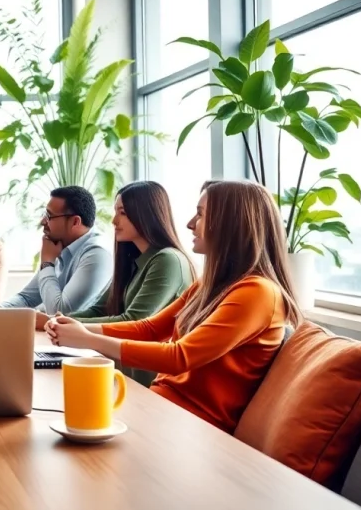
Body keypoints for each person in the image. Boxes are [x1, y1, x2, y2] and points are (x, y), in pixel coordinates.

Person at [45, 180, 303, 434]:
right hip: (164, 407)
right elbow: (150, 328)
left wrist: (89, 338)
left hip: (193, 426)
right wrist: (82, 331)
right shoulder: (211, 284)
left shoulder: (257, 293)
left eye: (200, 214)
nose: (190, 223)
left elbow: (180, 357)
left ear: (230, 224)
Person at [61, 181, 196, 386]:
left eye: (122, 212)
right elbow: (97, 310)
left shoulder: (168, 260)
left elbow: (136, 320)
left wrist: (72, 328)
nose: (114, 220)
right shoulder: (133, 261)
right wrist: (57, 321)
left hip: (149, 381)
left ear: (146, 214)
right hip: (121, 371)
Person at [0, 186, 112, 313]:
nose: (42, 221)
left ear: (75, 222)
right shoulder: (61, 245)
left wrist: (47, 263)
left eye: (49, 216)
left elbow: (59, 311)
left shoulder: (97, 253)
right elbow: (26, 298)